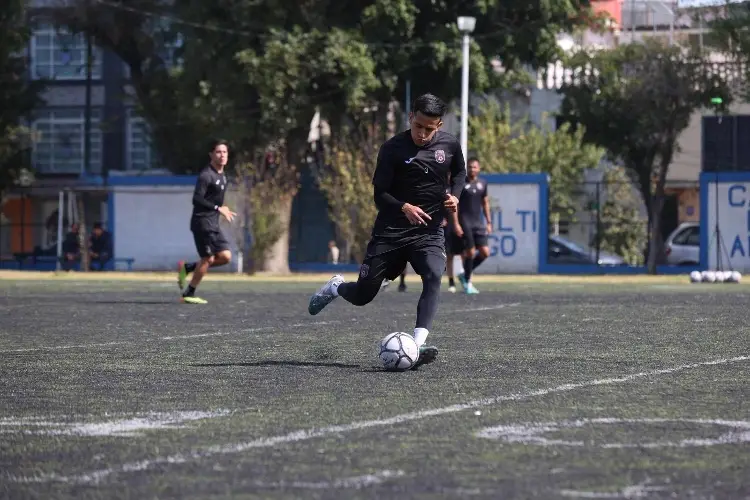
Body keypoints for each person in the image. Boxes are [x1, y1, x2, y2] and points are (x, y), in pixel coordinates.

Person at [307, 93, 466, 369]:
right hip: (390, 232)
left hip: (428, 232)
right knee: (363, 296)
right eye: (419, 126)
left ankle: (417, 344)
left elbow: (460, 173)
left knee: (433, 274)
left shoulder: (450, 145)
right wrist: (404, 206)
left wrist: (455, 195)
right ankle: (336, 287)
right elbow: (379, 195)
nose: (423, 134)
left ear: (439, 125)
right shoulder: (392, 149)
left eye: (430, 129)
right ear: (410, 117)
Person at [177, 139, 237, 304]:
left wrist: (222, 208)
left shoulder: (222, 176)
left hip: (213, 224)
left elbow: (213, 199)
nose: (222, 155)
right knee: (208, 259)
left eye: (224, 152)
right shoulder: (206, 175)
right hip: (202, 223)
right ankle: (189, 293)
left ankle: (188, 268)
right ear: (211, 154)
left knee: (225, 256)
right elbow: (197, 199)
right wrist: (218, 209)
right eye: (218, 152)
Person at [455, 157, 492, 294]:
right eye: (470, 167)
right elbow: (455, 205)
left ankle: (464, 274)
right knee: (470, 252)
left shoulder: (483, 183)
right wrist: (456, 223)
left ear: (479, 168)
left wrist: (488, 222)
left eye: (475, 167)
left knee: (485, 252)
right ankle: (468, 283)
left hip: (479, 223)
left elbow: (485, 203)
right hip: (465, 222)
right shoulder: (461, 184)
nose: (472, 169)